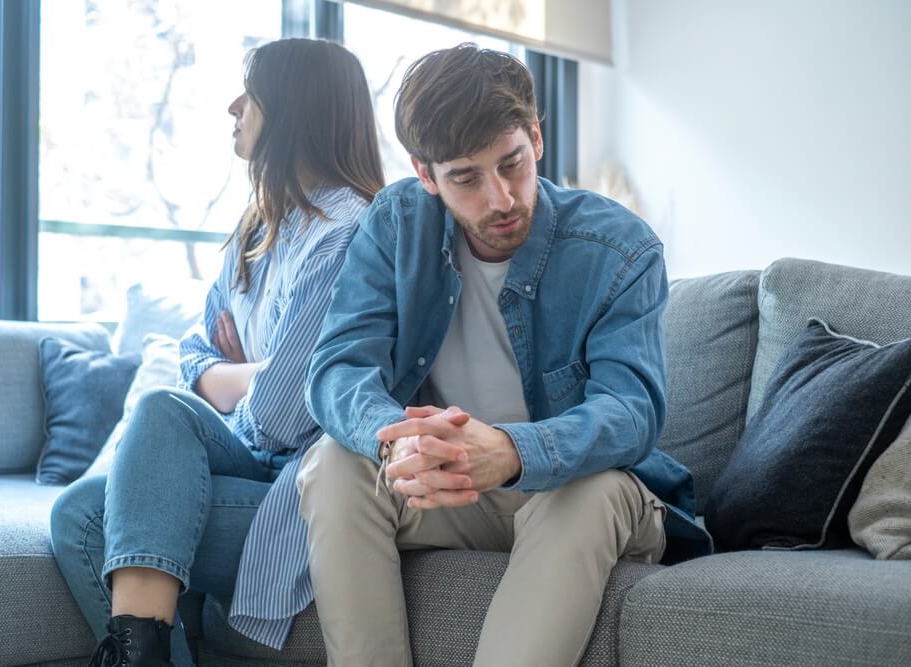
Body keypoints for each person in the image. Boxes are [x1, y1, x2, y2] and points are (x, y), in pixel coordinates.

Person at [297, 44, 713, 666]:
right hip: (458, 489)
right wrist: (396, 444)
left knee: (590, 491)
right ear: (426, 174)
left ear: (536, 139)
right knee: (332, 462)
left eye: (512, 164)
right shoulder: (397, 224)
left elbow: (632, 413)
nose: (500, 199)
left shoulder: (620, 247)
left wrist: (513, 451)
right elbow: (338, 366)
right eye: (466, 178)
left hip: (577, 488)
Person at [49, 38, 384, 667]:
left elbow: (282, 419)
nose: (233, 107)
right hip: (246, 460)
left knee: (109, 488)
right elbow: (195, 353)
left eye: (251, 95)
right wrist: (262, 370)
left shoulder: (348, 232)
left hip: (300, 487)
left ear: (294, 109)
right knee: (82, 502)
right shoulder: (259, 227)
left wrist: (239, 381)